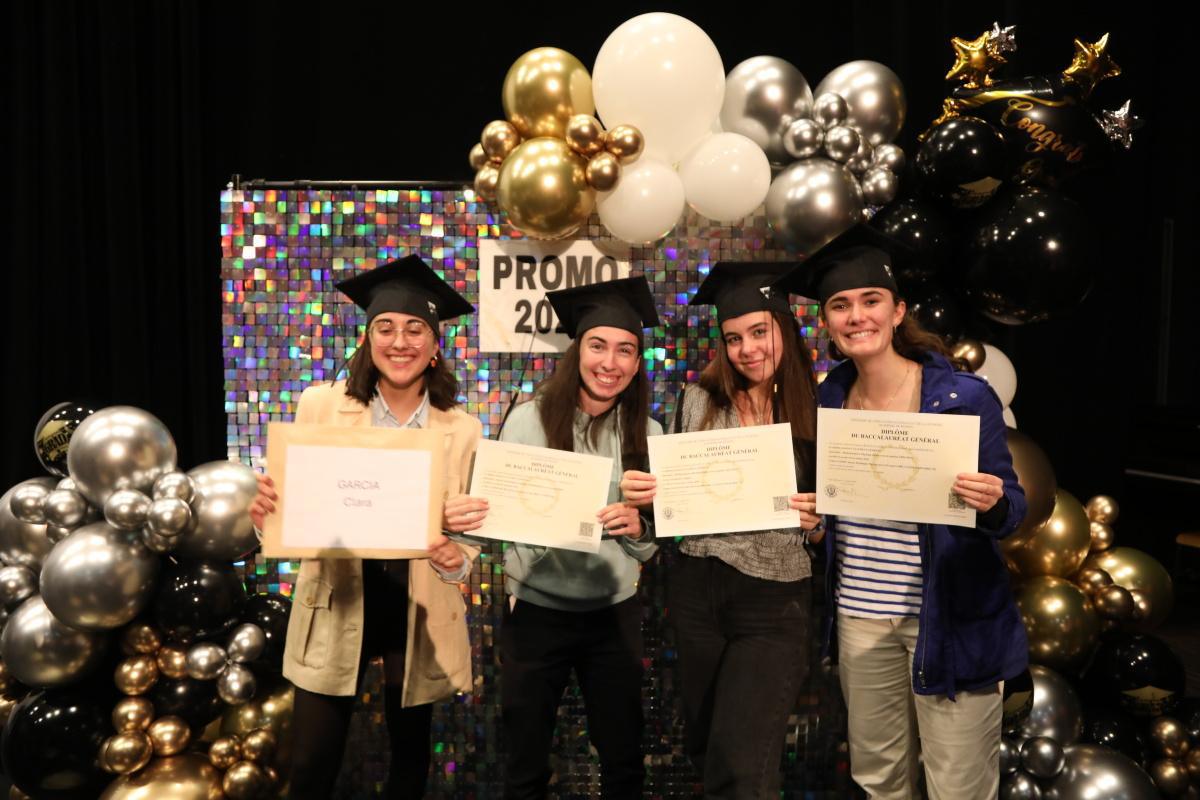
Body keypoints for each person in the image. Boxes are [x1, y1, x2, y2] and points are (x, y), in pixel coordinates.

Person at [773, 225, 1028, 800]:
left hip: (949, 618)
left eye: (870, 301)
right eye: (840, 305)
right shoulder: (829, 398)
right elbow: (835, 509)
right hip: (861, 620)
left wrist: (991, 503)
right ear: (829, 324)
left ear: (897, 312)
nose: (855, 316)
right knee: (878, 781)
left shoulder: (964, 398)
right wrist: (815, 527)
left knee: (957, 786)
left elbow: (1012, 510)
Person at [248, 254, 481, 799]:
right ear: (368, 339)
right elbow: (289, 513)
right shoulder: (321, 406)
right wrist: (266, 515)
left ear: (435, 345)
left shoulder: (463, 428)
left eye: (415, 329)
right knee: (310, 764)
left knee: (409, 763)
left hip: (415, 605)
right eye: (386, 328)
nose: (400, 342)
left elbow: (466, 536)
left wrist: (457, 559)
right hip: (337, 598)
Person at [444, 276, 661, 799]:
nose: (610, 362)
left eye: (625, 351)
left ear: (636, 363)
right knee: (525, 762)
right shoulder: (527, 421)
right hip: (538, 615)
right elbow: (496, 523)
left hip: (614, 614)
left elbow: (655, 539)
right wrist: (464, 522)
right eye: (598, 346)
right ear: (577, 351)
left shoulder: (649, 434)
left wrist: (641, 529)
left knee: (623, 760)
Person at [619, 262, 822, 799]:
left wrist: (820, 523)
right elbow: (681, 504)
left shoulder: (820, 408)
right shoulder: (697, 400)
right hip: (697, 589)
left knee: (741, 762)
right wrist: (652, 501)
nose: (747, 349)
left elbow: (837, 521)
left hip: (774, 599)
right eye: (734, 338)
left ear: (785, 329)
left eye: (759, 333)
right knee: (708, 749)